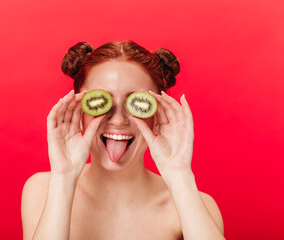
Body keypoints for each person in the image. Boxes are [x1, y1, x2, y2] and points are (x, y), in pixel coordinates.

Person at [21, 40, 225, 240]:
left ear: (157, 118)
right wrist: (64, 176)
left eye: (135, 103)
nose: (118, 120)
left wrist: (180, 175)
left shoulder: (195, 205)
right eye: (102, 102)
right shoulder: (44, 190)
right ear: (79, 111)